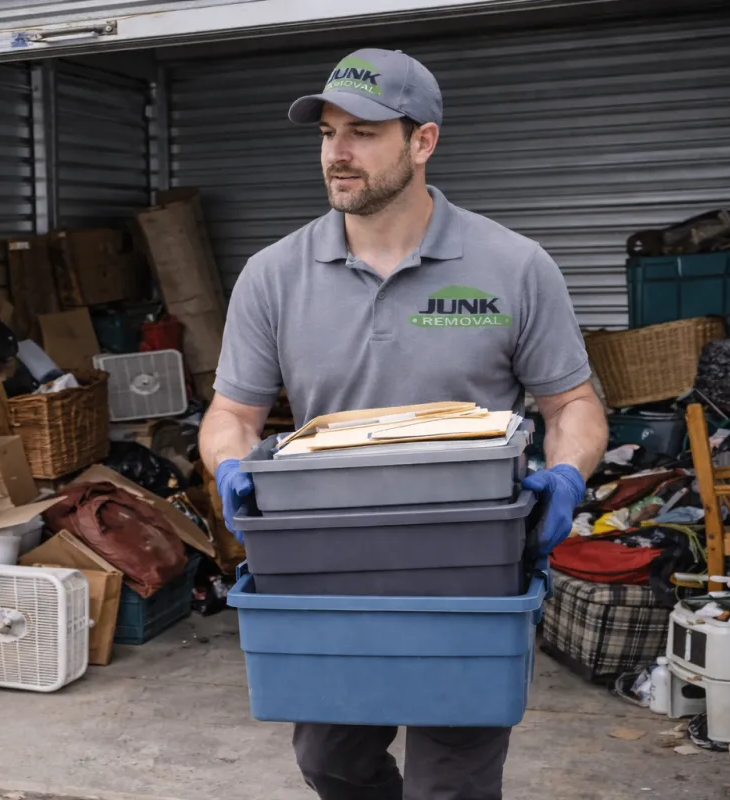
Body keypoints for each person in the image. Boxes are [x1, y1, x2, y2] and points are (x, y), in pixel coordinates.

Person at [198, 48, 608, 800]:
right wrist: (230, 465)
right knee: (329, 763)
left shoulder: (513, 266)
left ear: (423, 141)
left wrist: (566, 475)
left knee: (448, 787)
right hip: (329, 562)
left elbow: (571, 404)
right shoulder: (273, 275)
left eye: (363, 132)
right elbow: (232, 412)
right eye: (327, 133)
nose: (337, 153)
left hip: (467, 563)